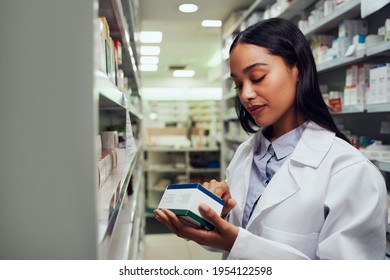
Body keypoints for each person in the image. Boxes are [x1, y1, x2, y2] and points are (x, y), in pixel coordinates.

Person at [154, 18, 388, 259]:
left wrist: (239, 243)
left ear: (297, 69)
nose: (246, 95)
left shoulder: (351, 172)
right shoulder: (246, 153)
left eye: (257, 77)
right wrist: (212, 217)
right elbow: (233, 237)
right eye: (238, 84)